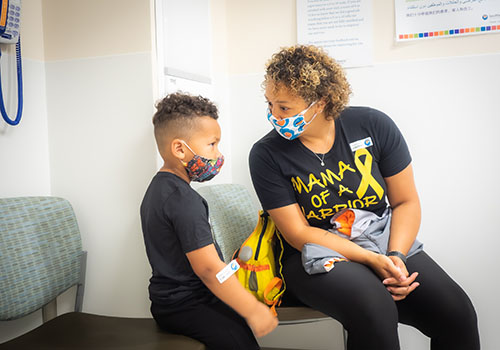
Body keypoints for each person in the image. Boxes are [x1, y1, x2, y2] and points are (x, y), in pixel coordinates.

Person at [249, 45, 480, 350]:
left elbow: (405, 202)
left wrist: (395, 256)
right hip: (312, 253)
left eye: (284, 107)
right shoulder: (266, 154)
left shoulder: (373, 125)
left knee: (457, 314)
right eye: (270, 105)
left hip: (380, 239)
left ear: (322, 102)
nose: (273, 116)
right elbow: (298, 232)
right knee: (375, 308)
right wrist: (372, 260)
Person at [141, 92, 278, 350]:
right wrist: (252, 309)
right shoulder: (182, 200)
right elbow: (207, 269)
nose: (217, 154)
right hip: (186, 304)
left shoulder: (160, 188)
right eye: (212, 144)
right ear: (180, 148)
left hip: (173, 301)